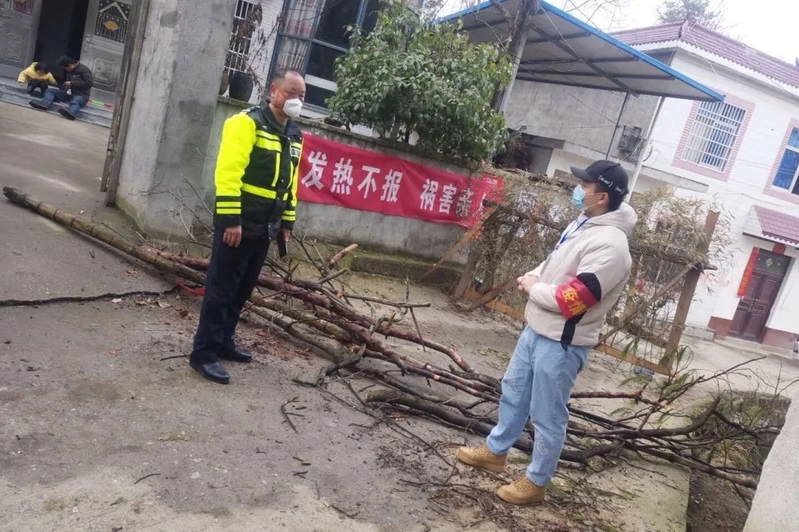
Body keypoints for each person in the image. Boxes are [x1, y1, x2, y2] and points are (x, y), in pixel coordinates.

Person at [456, 160, 638, 505]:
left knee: (547, 415)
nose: (578, 190)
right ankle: (496, 452)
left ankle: (536, 482)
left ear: (602, 197)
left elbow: (575, 300)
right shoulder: (584, 222)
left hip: (562, 343)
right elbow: (555, 262)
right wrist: (534, 275)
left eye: (584, 186)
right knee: (513, 393)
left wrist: (533, 289)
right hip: (537, 329)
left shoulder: (611, 247)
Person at [189, 68, 306, 385]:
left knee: (241, 289)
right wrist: (231, 219)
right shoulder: (247, 123)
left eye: (302, 96)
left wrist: (286, 222)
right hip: (239, 225)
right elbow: (228, 173)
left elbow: (291, 183)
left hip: (266, 228)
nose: (297, 100)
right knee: (221, 290)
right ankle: (203, 354)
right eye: (291, 93)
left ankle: (224, 343)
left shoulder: (295, 135)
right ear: (273, 91)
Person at [29, 56, 93, 121]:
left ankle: (71, 112)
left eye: (65, 68)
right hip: (68, 93)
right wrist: (64, 87)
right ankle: (45, 104)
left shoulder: (84, 70)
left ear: (70, 65)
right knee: (50, 91)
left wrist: (72, 83)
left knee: (76, 101)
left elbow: (89, 83)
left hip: (81, 95)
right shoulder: (69, 71)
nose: (65, 70)